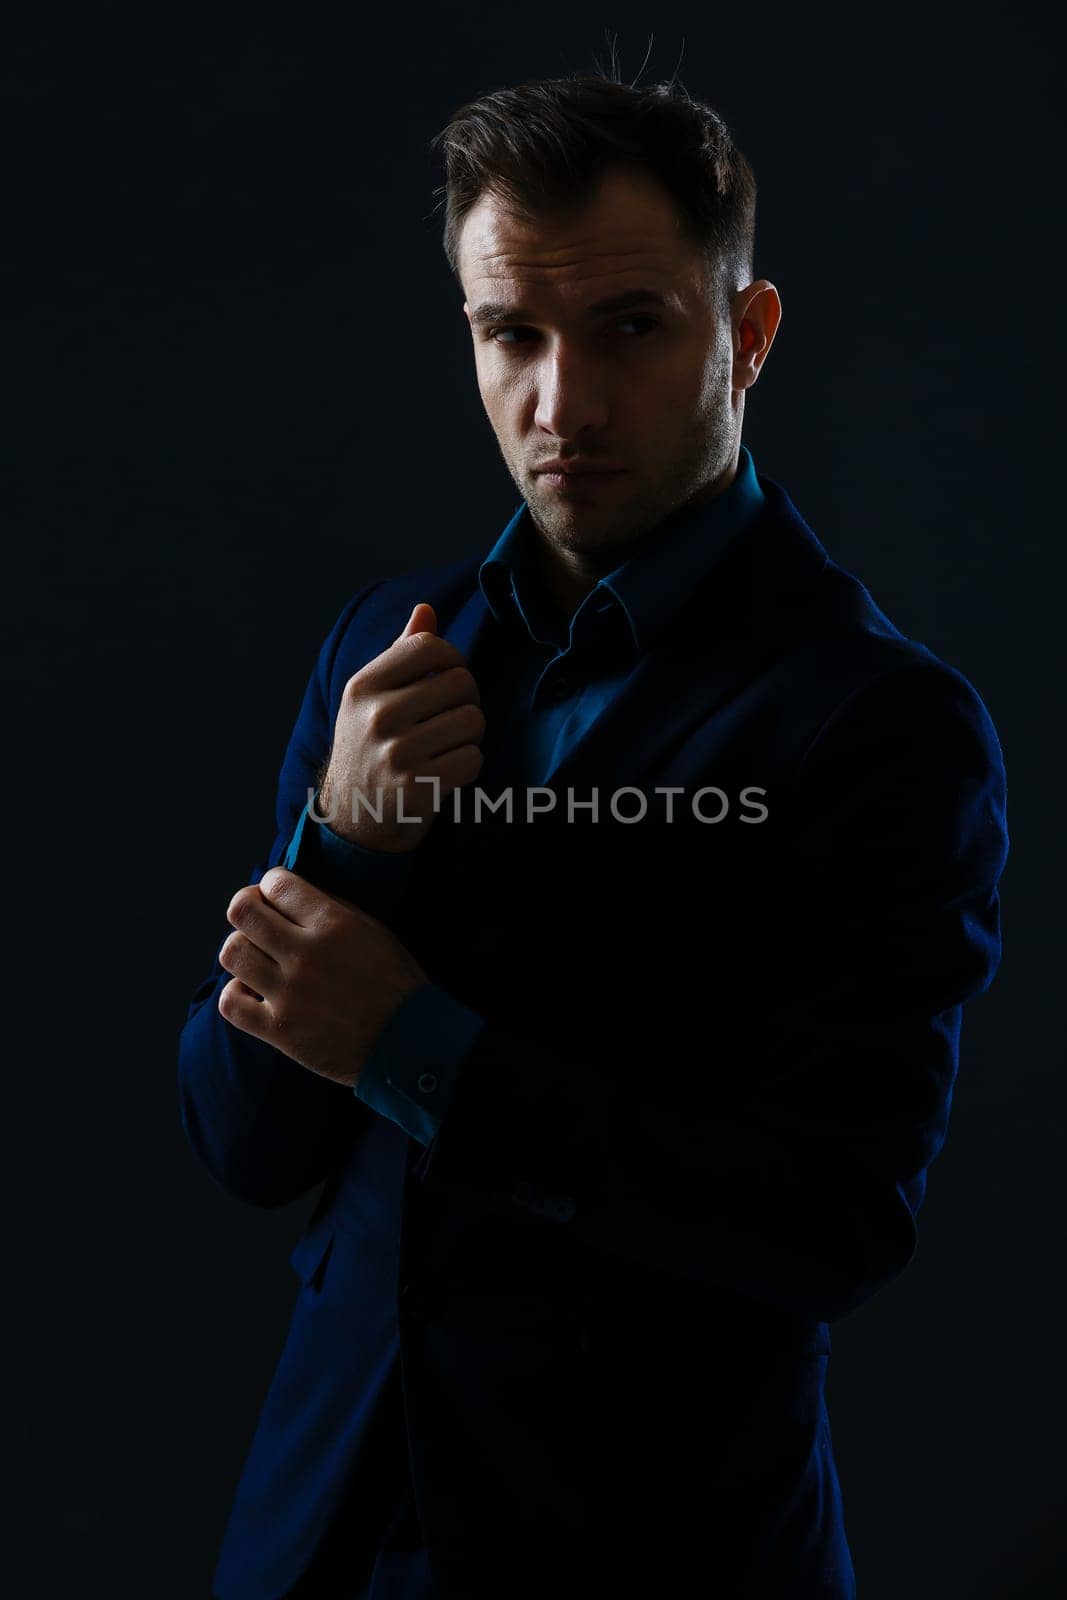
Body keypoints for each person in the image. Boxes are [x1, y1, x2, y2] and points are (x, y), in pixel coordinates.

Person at [178, 67, 1009, 1600]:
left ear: (745, 337)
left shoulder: (882, 724)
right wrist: (347, 844)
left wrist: (416, 1046)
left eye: (632, 326)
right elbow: (243, 1136)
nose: (564, 405)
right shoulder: (387, 642)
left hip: (653, 1551)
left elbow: (834, 1224)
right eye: (516, 335)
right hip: (325, 1535)